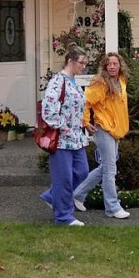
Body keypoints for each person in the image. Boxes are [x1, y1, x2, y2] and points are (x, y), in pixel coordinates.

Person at [73, 52, 131, 219]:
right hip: (103, 128)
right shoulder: (100, 83)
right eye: (109, 64)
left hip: (116, 130)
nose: (112, 66)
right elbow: (86, 101)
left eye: (115, 63)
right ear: (105, 67)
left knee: (105, 167)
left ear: (120, 65)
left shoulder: (121, 81)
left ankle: (77, 195)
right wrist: (85, 122)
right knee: (110, 169)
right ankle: (112, 207)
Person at [38, 45, 90, 226]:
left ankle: (52, 196)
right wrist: (63, 127)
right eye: (81, 62)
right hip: (60, 140)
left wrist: (83, 124)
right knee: (64, 178)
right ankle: (63, 217)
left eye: (85, 63)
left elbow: (75, 109)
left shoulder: (74, 81)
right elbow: (48, 111)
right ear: (70, 61)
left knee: (82, 172)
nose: (84, 66)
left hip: (76, 139)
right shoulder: (57, 82)